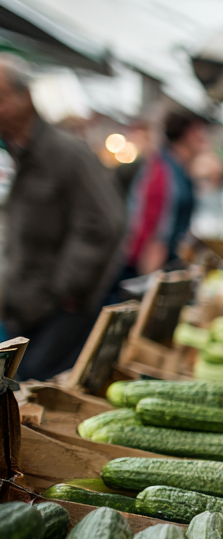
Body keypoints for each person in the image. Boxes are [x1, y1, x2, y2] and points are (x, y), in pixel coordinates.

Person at [0, 55, 125, 381]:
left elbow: (104, 223)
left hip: (55, 311)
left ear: (24, 96)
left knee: (31, 394)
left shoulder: (66, 152)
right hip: (22, 307)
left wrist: (68, 290)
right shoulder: (18, 152)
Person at [118, 109, 208, 281]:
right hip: (145, 266)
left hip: (163, 264)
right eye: (199, 131)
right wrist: (149, 281)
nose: (204, 139)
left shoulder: (177, 169)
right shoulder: (162, 171)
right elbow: (155, 231)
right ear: (187, 134)